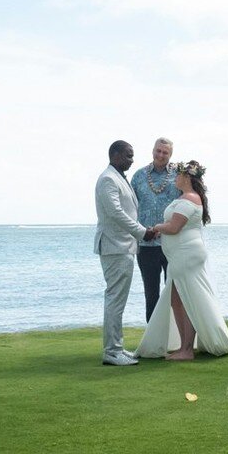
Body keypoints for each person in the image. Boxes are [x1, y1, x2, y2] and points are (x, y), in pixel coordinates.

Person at [134, 161, 228, 360]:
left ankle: (186, 349)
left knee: (185, 298)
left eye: (178, 176)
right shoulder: (185, 197)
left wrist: (156, 228)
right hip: (180, 255)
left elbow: (174, 228)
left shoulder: (189, 198)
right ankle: (184, 345)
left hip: (186, 255)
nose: (175, 178)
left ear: (186, 178)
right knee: (178, 299)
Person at [93, 140, 156, 366]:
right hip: (114, 247)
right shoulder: (108, 179)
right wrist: (142, 232)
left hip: (123, 246)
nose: (132, 160)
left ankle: (116, 347)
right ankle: (111, 352)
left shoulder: (118, 178)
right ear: (115, 154)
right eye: (128, 156)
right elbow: (115, 213)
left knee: (117, 299)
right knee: (115, 299)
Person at [130, 137, 181, 320]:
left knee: (175, 293)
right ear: (152, 151)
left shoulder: (179, 175)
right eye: (158, 151)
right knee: (151, 294)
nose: (161, 155)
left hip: (173, 243)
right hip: (146, 244)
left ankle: (175, 338)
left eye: (165, 152)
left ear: (170, 154)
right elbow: (130, 207)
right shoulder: (139, 176)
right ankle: (153, 341)